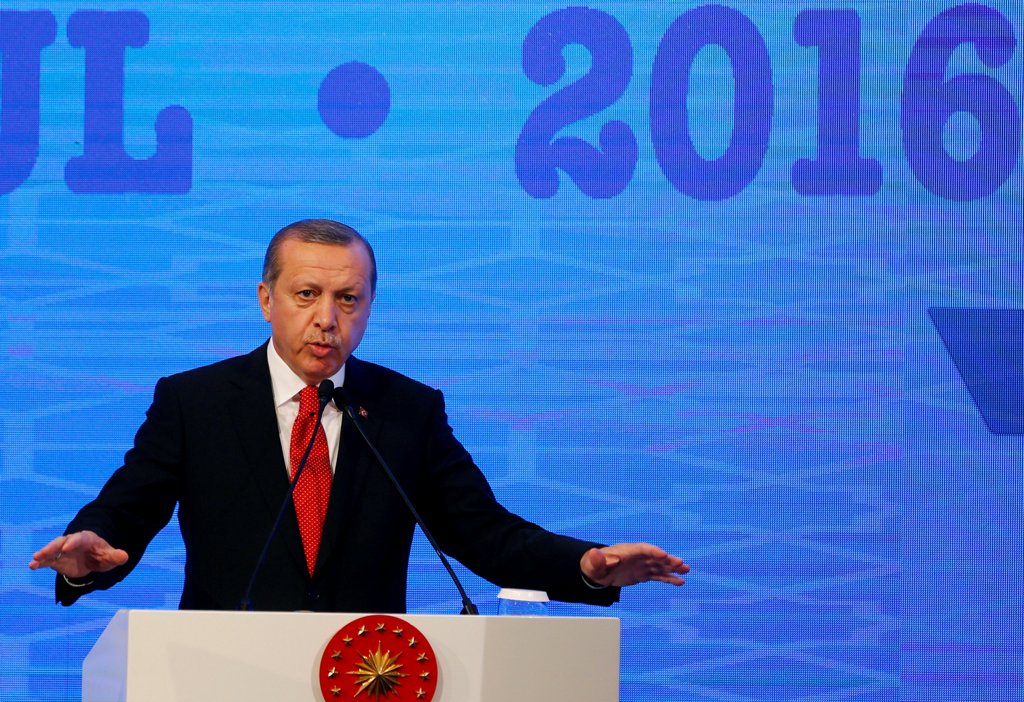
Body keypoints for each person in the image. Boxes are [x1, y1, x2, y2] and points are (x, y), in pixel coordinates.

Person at [29, 219, 689, 612]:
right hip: (224, 672)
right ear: (267, 299)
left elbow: (484, 534)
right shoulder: (195, 402)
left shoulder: (406, 411)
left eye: (348, 298)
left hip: (369, 675)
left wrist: (589, 565)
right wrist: (87, 552)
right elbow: (126, 511)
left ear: (370, 305)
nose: (327, 319)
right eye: (307, 294)